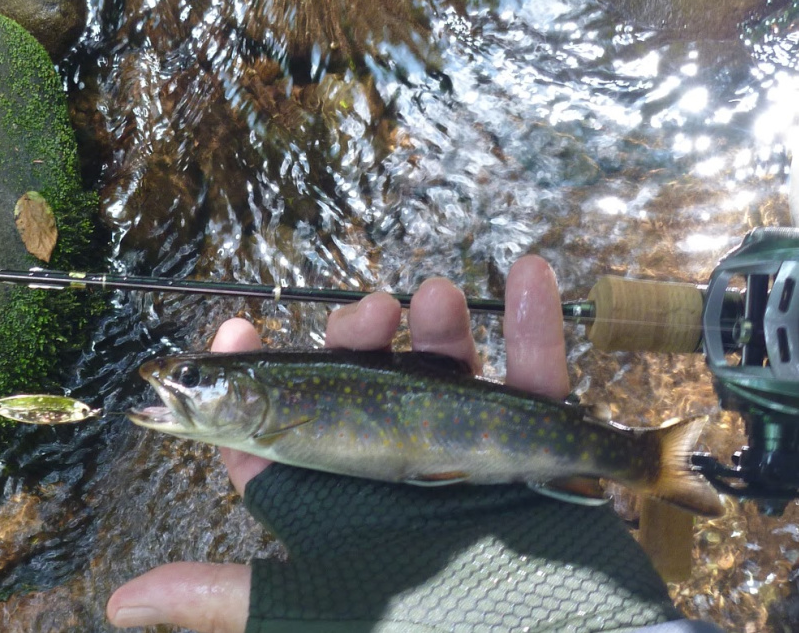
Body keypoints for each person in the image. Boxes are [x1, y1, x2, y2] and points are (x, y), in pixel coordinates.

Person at [106, 256, 724, 632]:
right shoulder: (270, 411)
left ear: (252, 394)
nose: (175, 386)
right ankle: (647, 460)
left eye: (190, 380)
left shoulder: (272, 412)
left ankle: (650, 460)